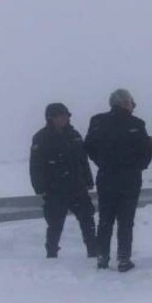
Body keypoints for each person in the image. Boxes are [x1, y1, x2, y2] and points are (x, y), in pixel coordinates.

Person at [85, 89, 152, 271]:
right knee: (126, 220)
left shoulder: (97, 121)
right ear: (123, 103)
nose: (133, 105)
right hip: (130, 179)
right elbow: (147, 149)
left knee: (105, 219)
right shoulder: (137, 124)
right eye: (132, 102)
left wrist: (103, 162)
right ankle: (123, 259)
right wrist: (137, 166)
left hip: (106, 177)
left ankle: (102, 257)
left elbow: (89, 147)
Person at [30, 103, 97, 259]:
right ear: (51, 118)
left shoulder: (74, 135)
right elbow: (35, 166)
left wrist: (88, 180)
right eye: (60, 116)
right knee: (55, 224)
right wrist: (40, 188)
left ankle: (93, 251)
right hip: (54, 190)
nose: (64, 118)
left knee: (87, 219)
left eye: (66, 115)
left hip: (77, 186)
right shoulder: (41, 137)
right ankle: (51, 253)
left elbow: (83, 160)